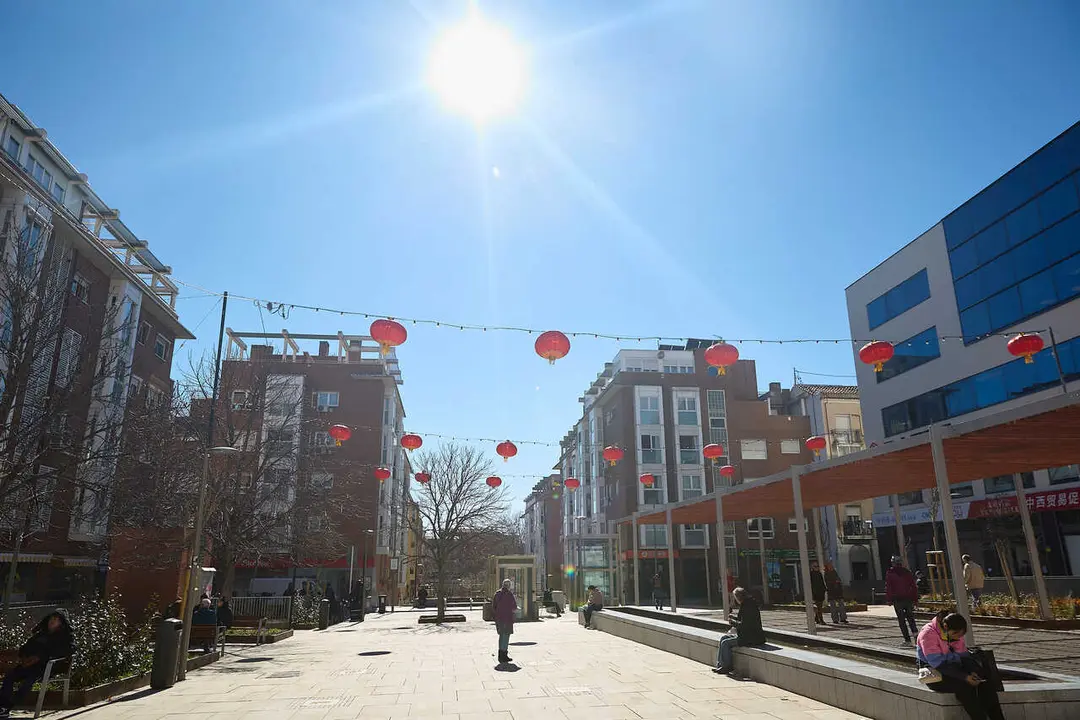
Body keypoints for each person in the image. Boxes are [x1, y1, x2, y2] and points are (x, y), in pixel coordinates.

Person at [917, 610, 1004, 720]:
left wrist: (973, 671)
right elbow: (938, 664)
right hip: (934, 672)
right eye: (955, 634)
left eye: (960, 635)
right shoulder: (928, 634)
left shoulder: (956, 633)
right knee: (964, 687)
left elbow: (964, 656)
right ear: (945, 627)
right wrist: (965, 677)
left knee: (985, 681)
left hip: (954, 666)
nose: (958, 637)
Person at [0, 610, 75, 718]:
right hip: (29, 665)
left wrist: (41, 657)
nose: (52, 621)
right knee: (10, 676)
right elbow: (25, 648)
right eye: (51, 618)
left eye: (56, 619)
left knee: (28, 682)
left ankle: (6, 707)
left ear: (61, 623)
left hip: (45, 668)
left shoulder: (65, 637)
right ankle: (2, 706)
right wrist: (24, 657)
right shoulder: (40, 635)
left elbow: (66, 651)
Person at [713, 587, 766, 675]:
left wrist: (733, 622)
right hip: (747, 635)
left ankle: (727, 666)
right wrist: (734, 618)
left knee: (725, 643)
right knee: (723, 638)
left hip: (751, 637)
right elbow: (743, 620)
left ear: (738, 597)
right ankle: (720, 665)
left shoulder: (747, 606)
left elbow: (744, 625)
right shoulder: (748, 604)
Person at [885, 555, 920, 646]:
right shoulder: (907, 572)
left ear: (893, 563)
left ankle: (907, 640)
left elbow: (889, 587)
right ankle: (917, 638)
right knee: (911, 619)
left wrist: (889, 599)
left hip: (898, 600)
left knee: (901, 620)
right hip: (908, 599)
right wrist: (915, 599)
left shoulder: (890, 573)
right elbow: (913, 586)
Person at [492, 579, 517, 664]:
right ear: (509, 586)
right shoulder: (509, 594)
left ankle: (500, 655)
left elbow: (494, 606)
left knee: (501, 635)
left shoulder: (497, 593)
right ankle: (504, 654)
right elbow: (514, 607)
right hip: (508, 618)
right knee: (506, 636)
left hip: (499, 618)